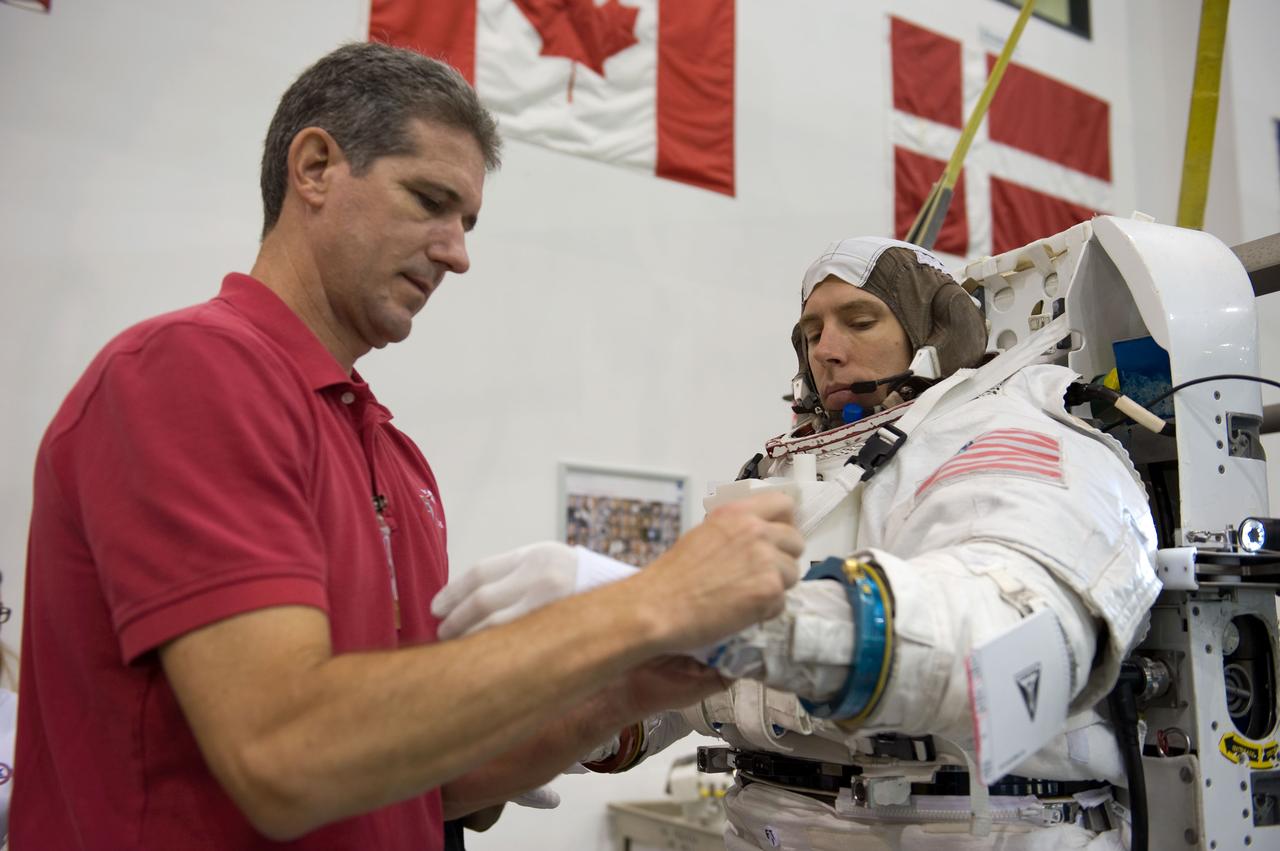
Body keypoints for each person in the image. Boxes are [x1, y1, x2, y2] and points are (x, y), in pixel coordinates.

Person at [12, 42, 806, 850]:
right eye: (430, 201)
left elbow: (429, 779)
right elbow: (285, 753)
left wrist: (625, 692)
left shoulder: (393, 456)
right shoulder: (190, 372)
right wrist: (644, 605)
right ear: (316, 167)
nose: (458, 253)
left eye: (466, 222)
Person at [434, 237, 1163, 849]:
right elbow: (681, 687)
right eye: (812, 332)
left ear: (936, 331)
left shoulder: (1017, 438)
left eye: (860, 320)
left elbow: (997, 636)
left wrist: (684, 614)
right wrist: (546, 720)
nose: (829, 351)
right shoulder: (783, 473)